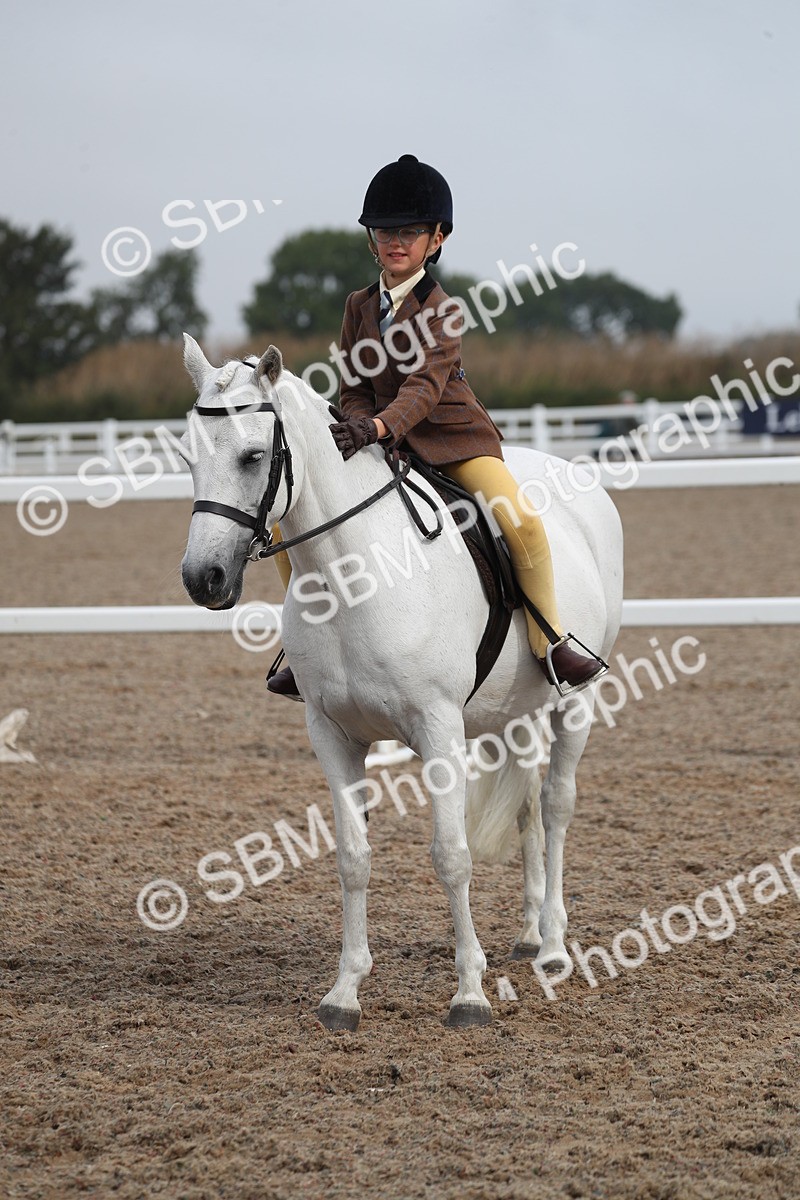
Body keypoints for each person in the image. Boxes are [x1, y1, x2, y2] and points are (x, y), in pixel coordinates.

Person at [267, 154, 607, 701]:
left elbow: (423, 389)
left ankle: (552, 643)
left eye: (410, 232)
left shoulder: (443, 309)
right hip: (377, 438)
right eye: (384, 232)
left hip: (450, 439)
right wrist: (355, 423)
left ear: (437, 238)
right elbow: (353, 380)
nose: (395, 242)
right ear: (371, 239)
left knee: (520, 521)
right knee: (290, 529)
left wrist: (375, 429)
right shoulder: (358, 305)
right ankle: (301, 648)